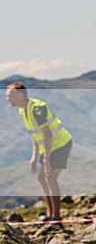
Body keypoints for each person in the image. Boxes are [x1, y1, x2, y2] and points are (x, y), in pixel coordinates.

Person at [5, 82, 73, 222]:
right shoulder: (23, 110)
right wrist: (34, 156)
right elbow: (35, 134)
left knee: (50, 178)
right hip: (48, 147)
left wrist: (46, 159)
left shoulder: (37, 108)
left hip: (60, 145)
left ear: (20, 95)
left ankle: (56, 218)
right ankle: (50, 214)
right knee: (42, 179)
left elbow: (47, 134)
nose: (8, 99)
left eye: (10, 95)